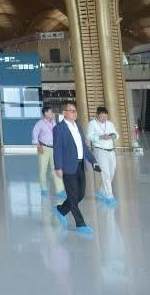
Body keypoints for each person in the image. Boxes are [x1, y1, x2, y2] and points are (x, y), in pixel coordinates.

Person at [52, 102, 101, 237]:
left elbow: (83, 146)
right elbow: (57, 149)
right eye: (71, 111)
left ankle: (61, 210)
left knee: (81, 194)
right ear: (64, 113)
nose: (75, 113)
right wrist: (58, 167)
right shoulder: (59, 128)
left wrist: (93, 161)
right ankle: (80, 224)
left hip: (80, 165)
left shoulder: (78, 126)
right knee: (73, 196)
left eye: (75, 110)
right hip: (67, 166)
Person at [87, 106, 119, 207]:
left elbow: (117, 135)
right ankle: (109, 196)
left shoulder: (110, 124)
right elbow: (89, 136)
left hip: (111, 150)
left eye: (106, 117)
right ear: (97, 115)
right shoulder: (92, 123)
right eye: (102, 117)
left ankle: (101, 191)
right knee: (106, 173)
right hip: (99, 150)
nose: (104, 119)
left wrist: (113, 136)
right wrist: (100, 137)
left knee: (112, 172)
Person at [32, 106, 65, 199]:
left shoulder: (54, 122)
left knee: (56, 168)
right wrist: (38, 146)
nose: (52, 114)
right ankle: (43, 189)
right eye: (50, 112)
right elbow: (34, 135)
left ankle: (60, 190)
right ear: (45, 113)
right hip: (44, 148)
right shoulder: (40, 123)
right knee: (43, 169)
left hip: (54, 149)